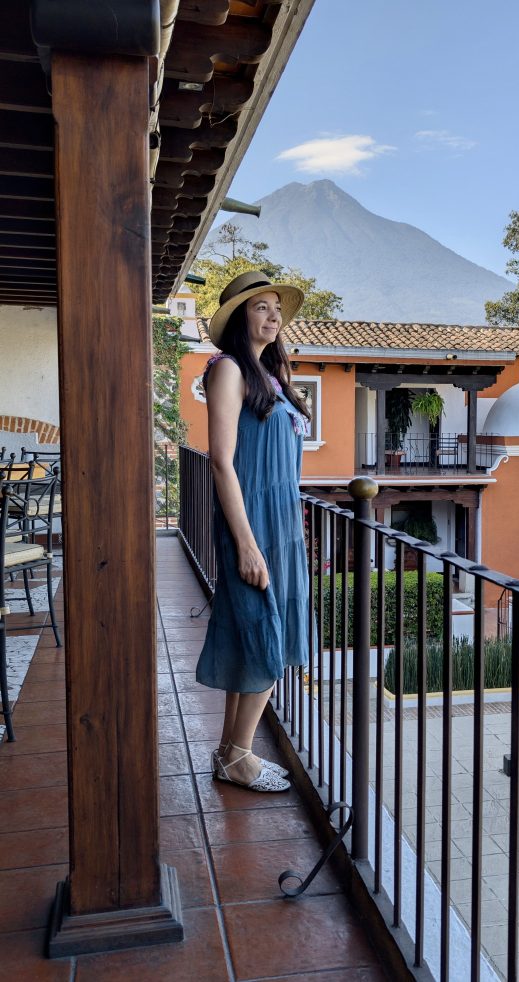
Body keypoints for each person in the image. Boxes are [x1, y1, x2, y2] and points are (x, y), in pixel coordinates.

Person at [196, 270, 311, 792]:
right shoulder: (228, 371)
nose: (272, 315)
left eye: (276, 307)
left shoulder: (271, 378)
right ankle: (242, 757)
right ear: (240, 317)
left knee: (253, 639)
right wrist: (245, 543)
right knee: (267, 639)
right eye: (260, 307)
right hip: (252, 525)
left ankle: (228, 752)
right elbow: (221, 461)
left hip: (280, 527)